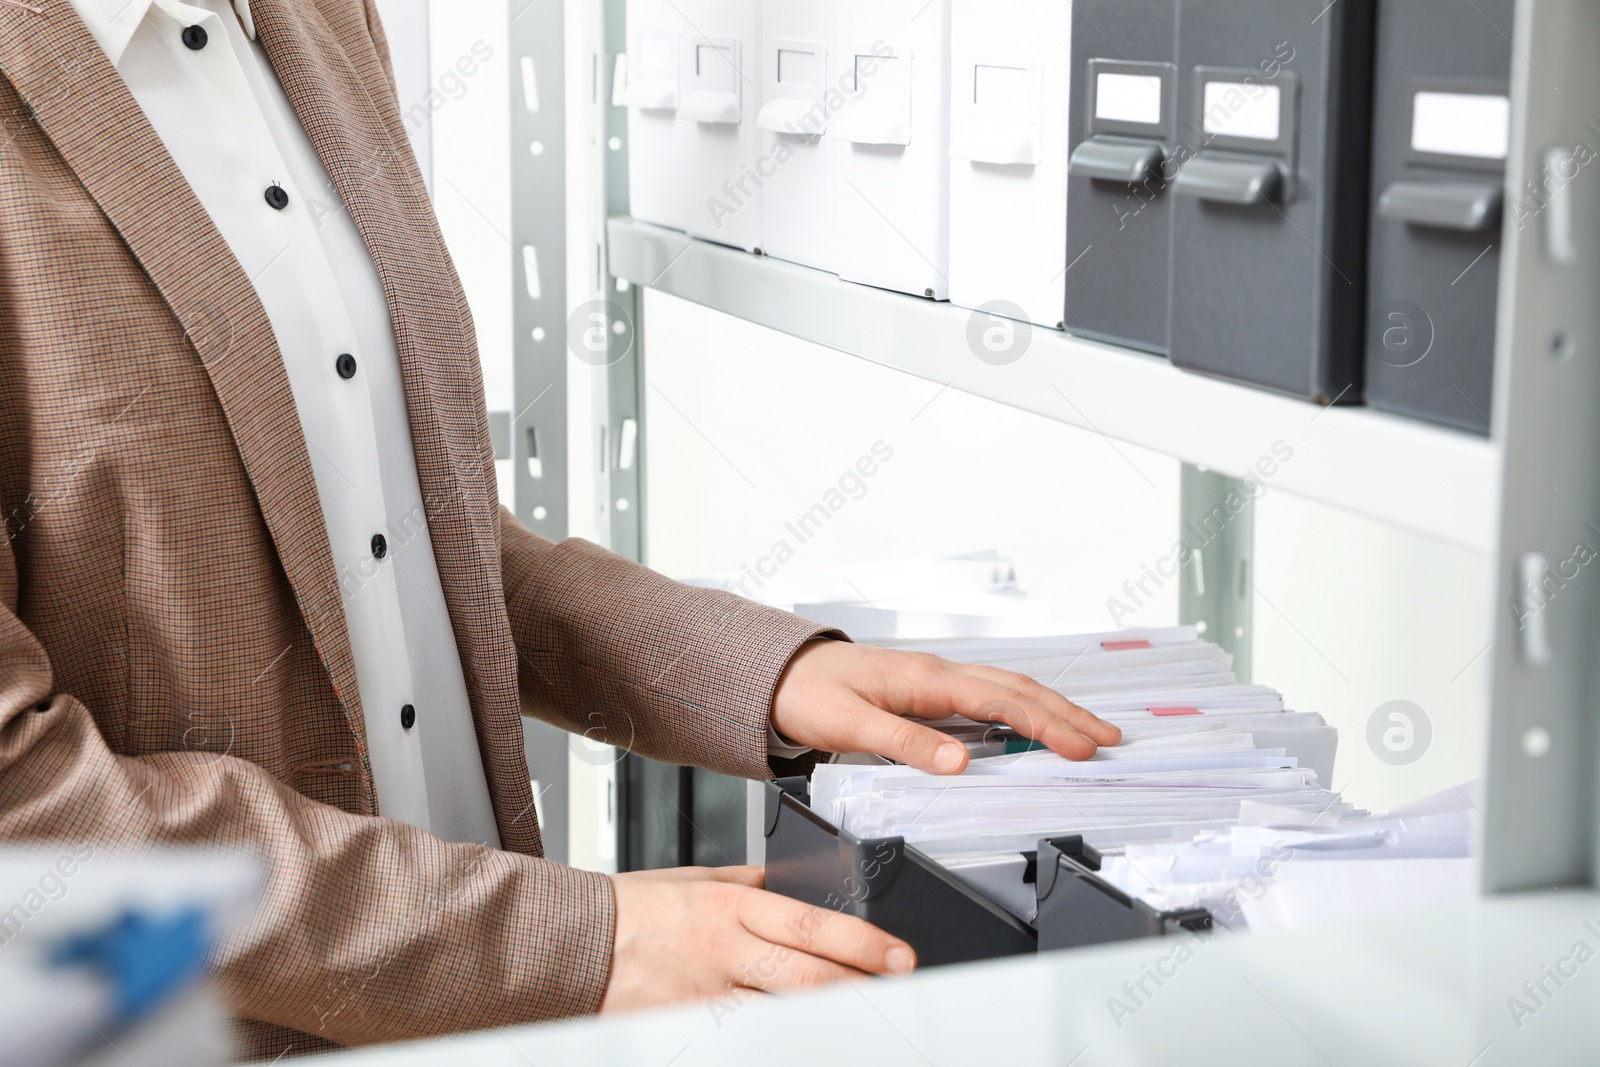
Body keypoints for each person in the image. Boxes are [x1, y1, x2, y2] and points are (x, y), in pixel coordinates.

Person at [0, 0, 1120, 1057]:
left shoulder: (315, 22)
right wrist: (572, 942)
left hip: (485, 1024)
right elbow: (20, 796)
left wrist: (766, 676)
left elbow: (407, 538)